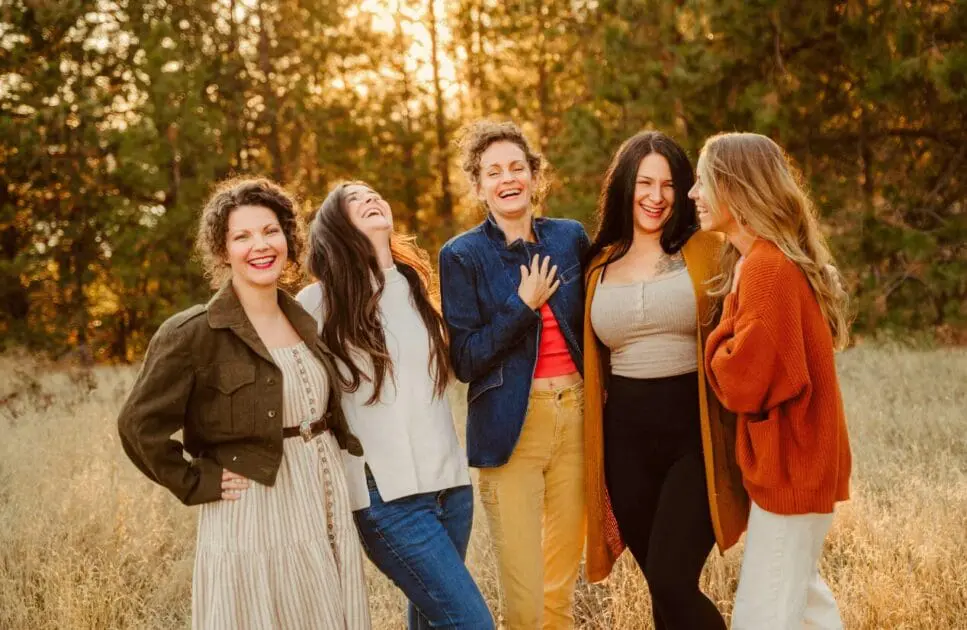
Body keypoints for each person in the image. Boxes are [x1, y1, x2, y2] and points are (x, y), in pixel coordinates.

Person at [117, 177, 371, 630]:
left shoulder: (306, 320)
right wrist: (196, 480)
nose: (261, 245)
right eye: (243, 236)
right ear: (222, 250)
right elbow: (138, 426)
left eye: (271, 231)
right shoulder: (194, 332)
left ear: (289, 239)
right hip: (254, 509)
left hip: (320, 493)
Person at [296, 181, 493, 630]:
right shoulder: (319, 302)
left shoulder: (415, 287)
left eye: (371, 193)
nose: (368, 198)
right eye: (352, 200)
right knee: (472, 624)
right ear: (336, 227)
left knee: (433, 621)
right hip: (387, 500)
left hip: (451, 489)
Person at [582, 131, 748, 629]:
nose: (656, 197)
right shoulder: (597, 264)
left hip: (693, 436)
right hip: (624, 444)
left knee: (673, 579)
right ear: (624, 186)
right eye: (645, 183)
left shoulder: (710, 251)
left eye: (670, 185)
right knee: (661, 589)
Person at [691, 132, 852, 629]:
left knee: (762, 617)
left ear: (734, 190)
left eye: (701, 183)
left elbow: (742, 382)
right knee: (805, 609)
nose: (694, 195)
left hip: (793, 468)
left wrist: (715, 334)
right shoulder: (764, 261)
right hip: (801, 465)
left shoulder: (764, 268)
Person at [439, 120, 589, 629]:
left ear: (533, 176)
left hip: (577, 420)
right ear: (478, 185)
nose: (508, 179)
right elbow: (465, 360)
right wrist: (521, 307)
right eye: (493, 171)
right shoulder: (462, 256)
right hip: (510, 433)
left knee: (558, 593)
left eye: (517, 168)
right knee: (524, 603)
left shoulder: (570, 238)